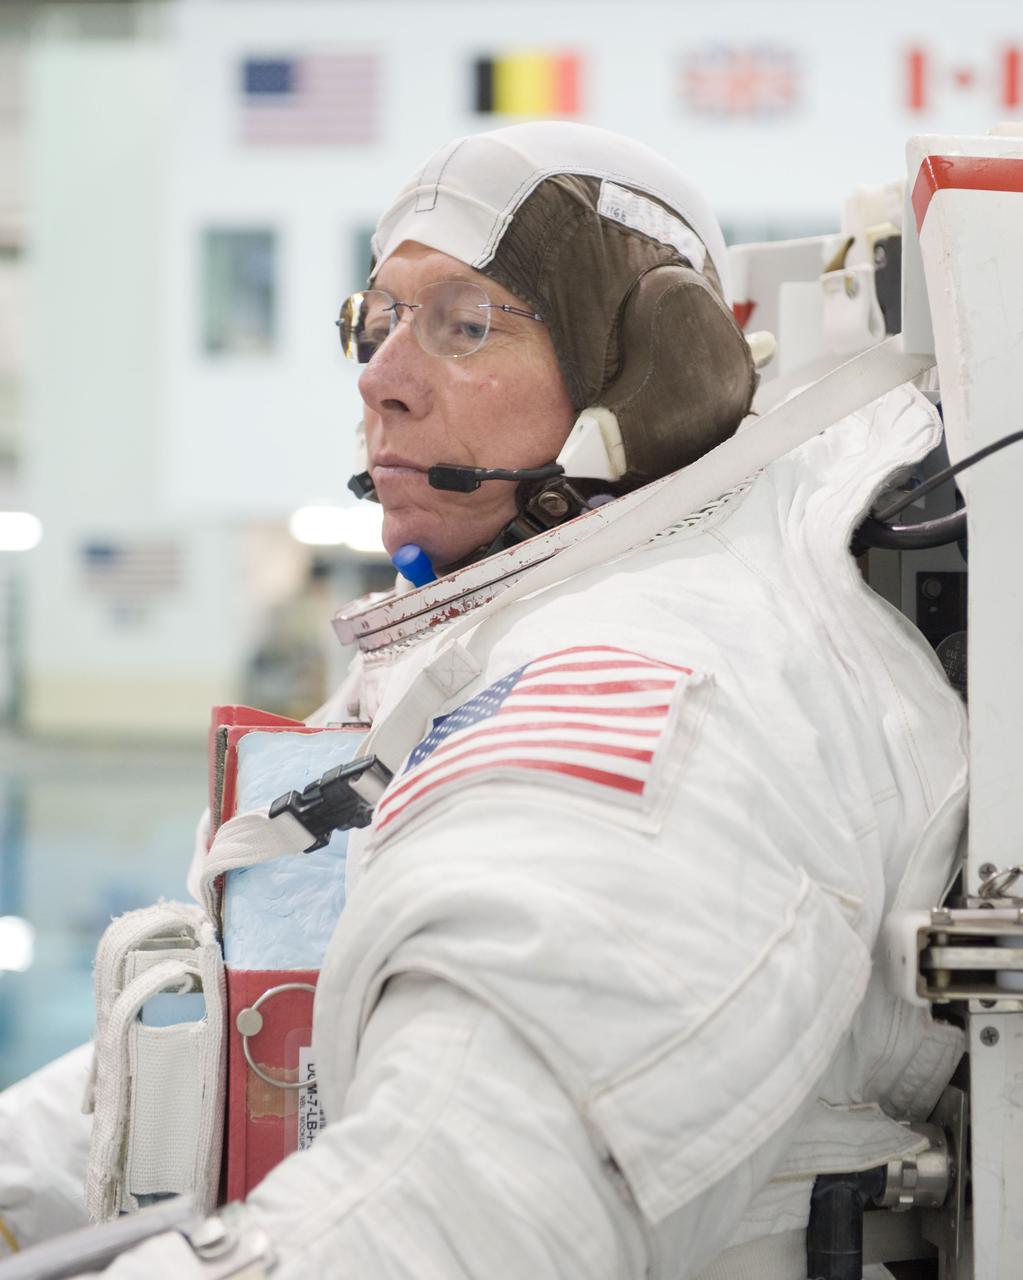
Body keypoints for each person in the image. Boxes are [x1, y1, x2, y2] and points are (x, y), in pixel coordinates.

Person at [1, 122, 966, 1279]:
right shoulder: (496, 634)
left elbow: (450, 1215)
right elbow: (216, 1043)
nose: (381, 377)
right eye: (379, 320)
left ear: (650, 375)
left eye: (464, 324)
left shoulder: (662, 689)